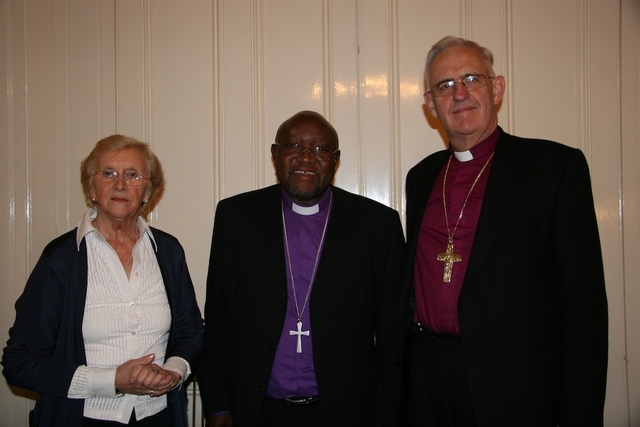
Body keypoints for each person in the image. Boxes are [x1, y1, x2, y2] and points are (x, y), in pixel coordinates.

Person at [405, 36, 608, 426]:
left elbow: (585, 311)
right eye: (445, 86)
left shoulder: (553, 168)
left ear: (496, 89)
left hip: (515, 385)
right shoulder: (422, 176)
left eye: (471, 79)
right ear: (431, 104)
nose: (459, 93)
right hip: (429, 379)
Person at [197, 110, 405, 427]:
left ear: (335, 160)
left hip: (347, 411)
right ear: (275, 154)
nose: (306, 158)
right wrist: (217, 406)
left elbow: (394, 334)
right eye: (293, 146)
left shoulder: (377, 225)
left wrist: (389, 412)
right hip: (256, 410)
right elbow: (218, 322)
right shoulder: (236, 218)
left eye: (320, 149)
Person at [2, 135, 204, 426]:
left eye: (132, 175)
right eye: (108, 173)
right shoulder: (61, 259)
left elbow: (190, 330)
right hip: (81, 418)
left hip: (160, 415)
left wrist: (174, 370)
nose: (120, 184)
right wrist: (112, 380)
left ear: (148, 191)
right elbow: (20, 362)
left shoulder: (168, 251)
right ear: (91, 188)